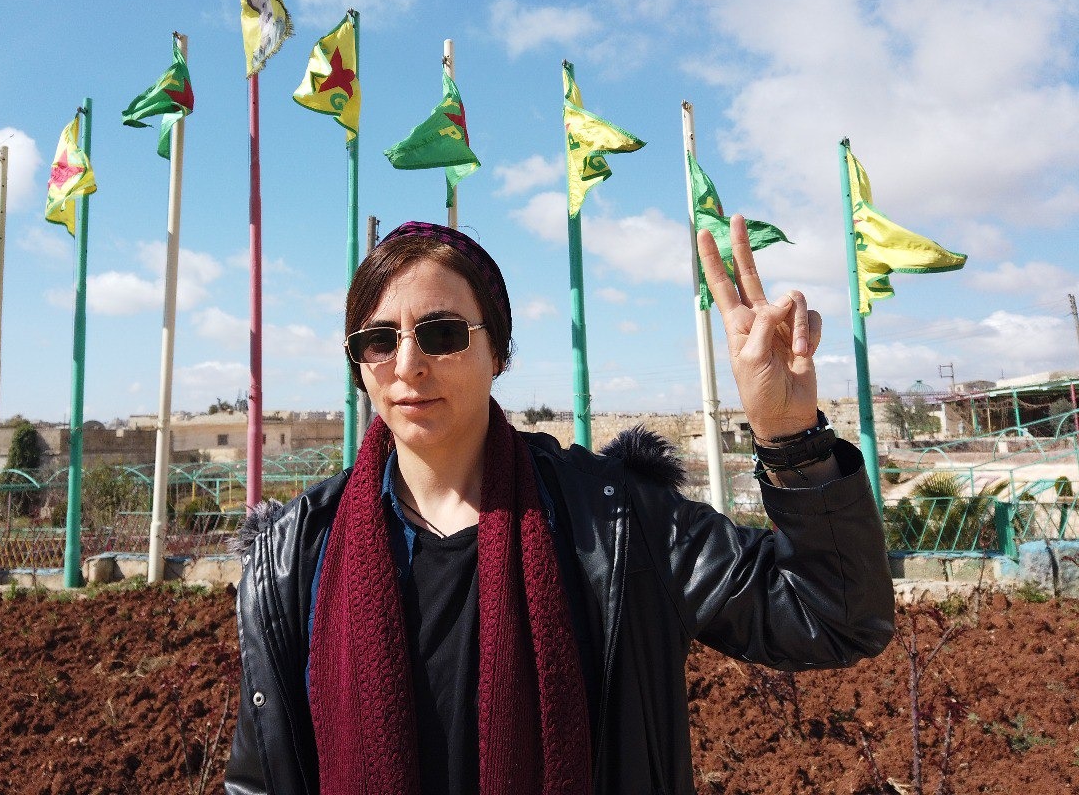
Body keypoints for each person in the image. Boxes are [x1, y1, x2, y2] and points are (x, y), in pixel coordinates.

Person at [225, 218, 894, 795]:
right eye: (378, 340)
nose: (407, 365)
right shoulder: (296, 553)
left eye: (442, 332)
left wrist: (791, 439)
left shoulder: (616, 524)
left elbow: (833, 616)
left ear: (498, 351)